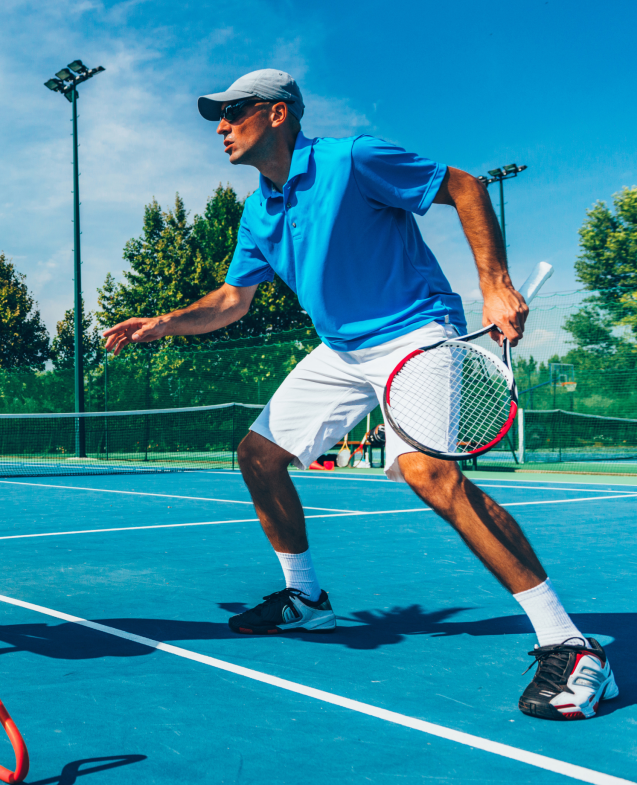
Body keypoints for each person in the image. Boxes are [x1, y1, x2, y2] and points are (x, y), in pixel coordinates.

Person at [102, 69, 618, 720]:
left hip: (414, 330)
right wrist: (165, 322)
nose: (221, 126)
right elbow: (232, 300)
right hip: (342, 348)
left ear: (279, 114)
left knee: (427, 472)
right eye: (218, 115)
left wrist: (494, 282)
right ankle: (306, 599)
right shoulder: (259, 210)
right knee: (257, 455)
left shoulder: (352, 159)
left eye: (234, 112)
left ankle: (572, 646)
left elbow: (465, 185)